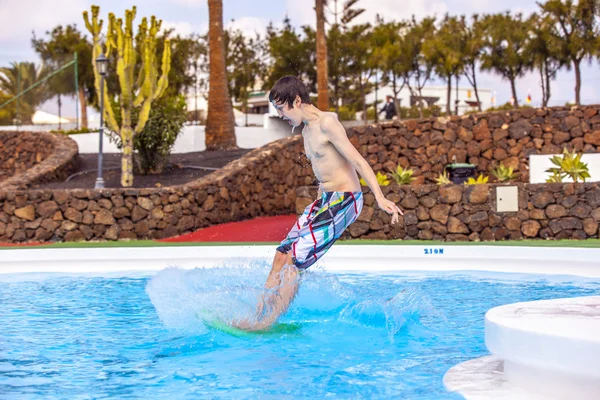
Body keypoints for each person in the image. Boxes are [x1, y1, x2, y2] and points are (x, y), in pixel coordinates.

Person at [233, 76, 403, 331]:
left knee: (295, 259)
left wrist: (379, 196)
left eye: (281, 107)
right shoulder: (305, 131)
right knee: (281, 254)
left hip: (346, 200)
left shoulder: (328, 123)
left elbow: (357, 160)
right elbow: (322, 170)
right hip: (325, 201)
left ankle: (267, 323)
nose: (280, 114)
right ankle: (258, 312)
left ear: (297, 100)